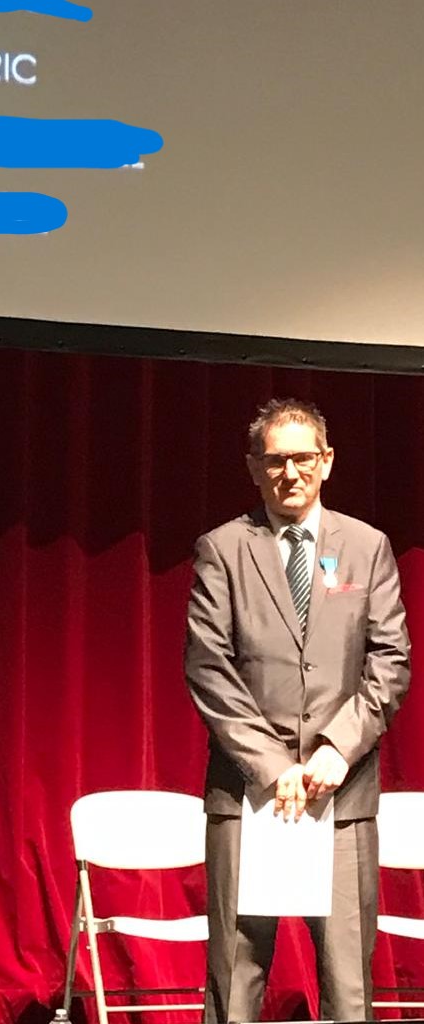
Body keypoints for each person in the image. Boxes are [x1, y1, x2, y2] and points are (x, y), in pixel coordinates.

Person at [185, 397, 410, 1023]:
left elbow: (391, 660)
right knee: (235, 983)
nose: (291, 473)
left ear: (328, 461)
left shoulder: (366, 547)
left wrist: (338, 747)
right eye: (276, 460)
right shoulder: (223, 548)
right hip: (248, 793)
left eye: (304, 458)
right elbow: (208, 667)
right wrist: (272, 763)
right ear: (254, 467)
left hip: (343, 793)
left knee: (348, 988)